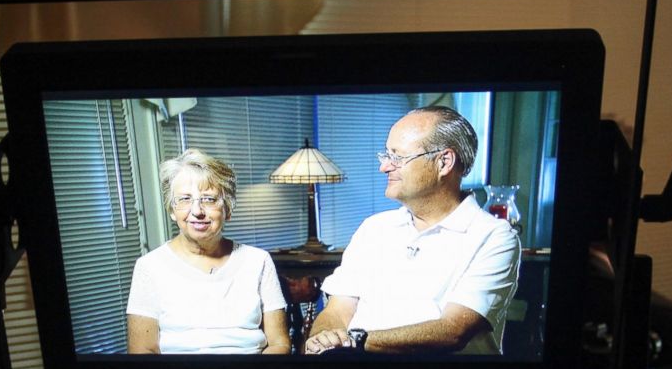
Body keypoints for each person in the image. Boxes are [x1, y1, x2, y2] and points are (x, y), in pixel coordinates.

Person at [304, 106, 520, 355]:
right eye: (385, 155)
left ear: (444, 162)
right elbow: (337, 310)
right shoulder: (374, 228)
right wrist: (323, 338)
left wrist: (356, 340)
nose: (384, 167)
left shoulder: (494, 237)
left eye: (397, 157)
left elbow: (453, 331)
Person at [126, 149, 290, 354]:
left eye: (209, 199)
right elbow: (142, 351)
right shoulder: (149, 266)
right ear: (171, 211)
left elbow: (279, 344)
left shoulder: (258, 260)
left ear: (228, 210)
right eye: (185, 199)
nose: (197, 211)